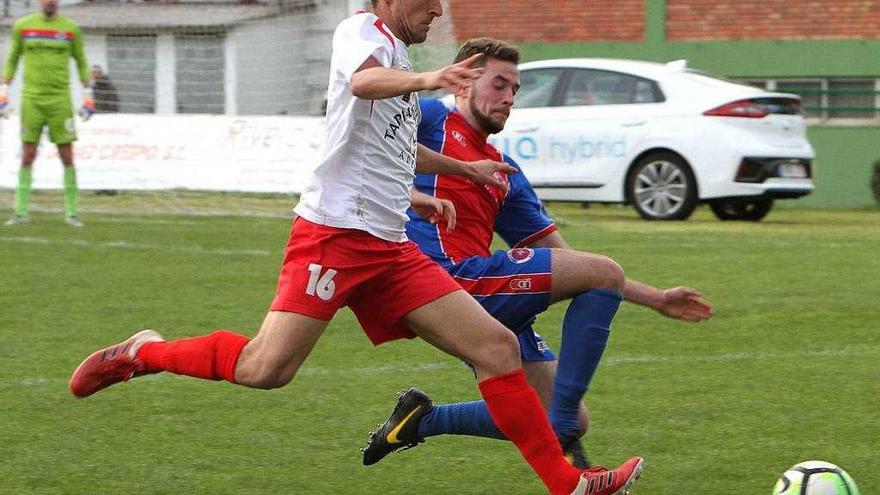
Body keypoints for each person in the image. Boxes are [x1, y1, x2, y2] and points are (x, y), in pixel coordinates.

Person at [68, 3, 642, 495]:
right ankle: (144, 353)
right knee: (266, 369)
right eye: (430, 1)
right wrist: (430, 81)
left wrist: (447, 178)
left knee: (495, 346)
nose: (438, 11)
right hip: (334, 238)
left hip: (389, 245)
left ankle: (568, 483)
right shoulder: (360, 33)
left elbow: (392, 146)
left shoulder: (399, 53)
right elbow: (363, 85)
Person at [361, 38, 713, 469]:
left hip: (483, 290)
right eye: (498, 84)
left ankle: (419, 422)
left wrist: (655, 298)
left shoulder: (504, 172)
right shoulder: (434, 118)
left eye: (515, 90)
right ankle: (562, 433)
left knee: (566, 410)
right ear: (463, 85)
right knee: (566, 405)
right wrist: (414, 194)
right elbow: (370, 154)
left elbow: (565, 258)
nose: (508, 98)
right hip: (444, 280)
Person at [1, 0, 93, 227]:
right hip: (32, 100)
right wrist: (3, 92)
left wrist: (89, 95)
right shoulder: (23, 26)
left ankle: (72, 213)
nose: (49, 1)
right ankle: (21, 212)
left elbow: (82, 62)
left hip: (60, 100)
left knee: (67, 156)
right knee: (27, 155)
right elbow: (12, 59)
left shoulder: (70, 29)